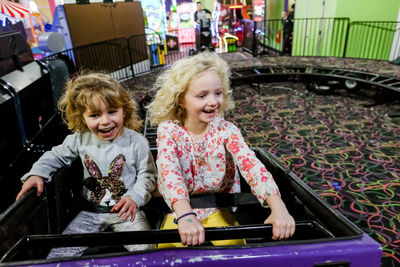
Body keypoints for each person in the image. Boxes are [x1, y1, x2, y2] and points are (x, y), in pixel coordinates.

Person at [147, 52, 295, 247]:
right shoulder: (168, 130)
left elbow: (251, 165)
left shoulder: (226, 130)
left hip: (218, 206)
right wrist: (185, 214)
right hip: (179, 207)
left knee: (233, 244)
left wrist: (278, 207)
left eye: (217, 93)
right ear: (181, 100)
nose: (213, 102)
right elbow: (170, 173)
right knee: (167, 247)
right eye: (202, 95)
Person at [16, 72, 157, 257]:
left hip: (127, 211)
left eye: (112, 111)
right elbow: (56, 155)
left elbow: (148, 175)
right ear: (82, 117)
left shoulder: (136, 142)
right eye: (95, 115)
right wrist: (37, 173)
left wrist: (134, 197)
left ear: (124, 110)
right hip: (90, 212)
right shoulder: (80, 139)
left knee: (149, 253)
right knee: (58, 255)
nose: (105, 121)